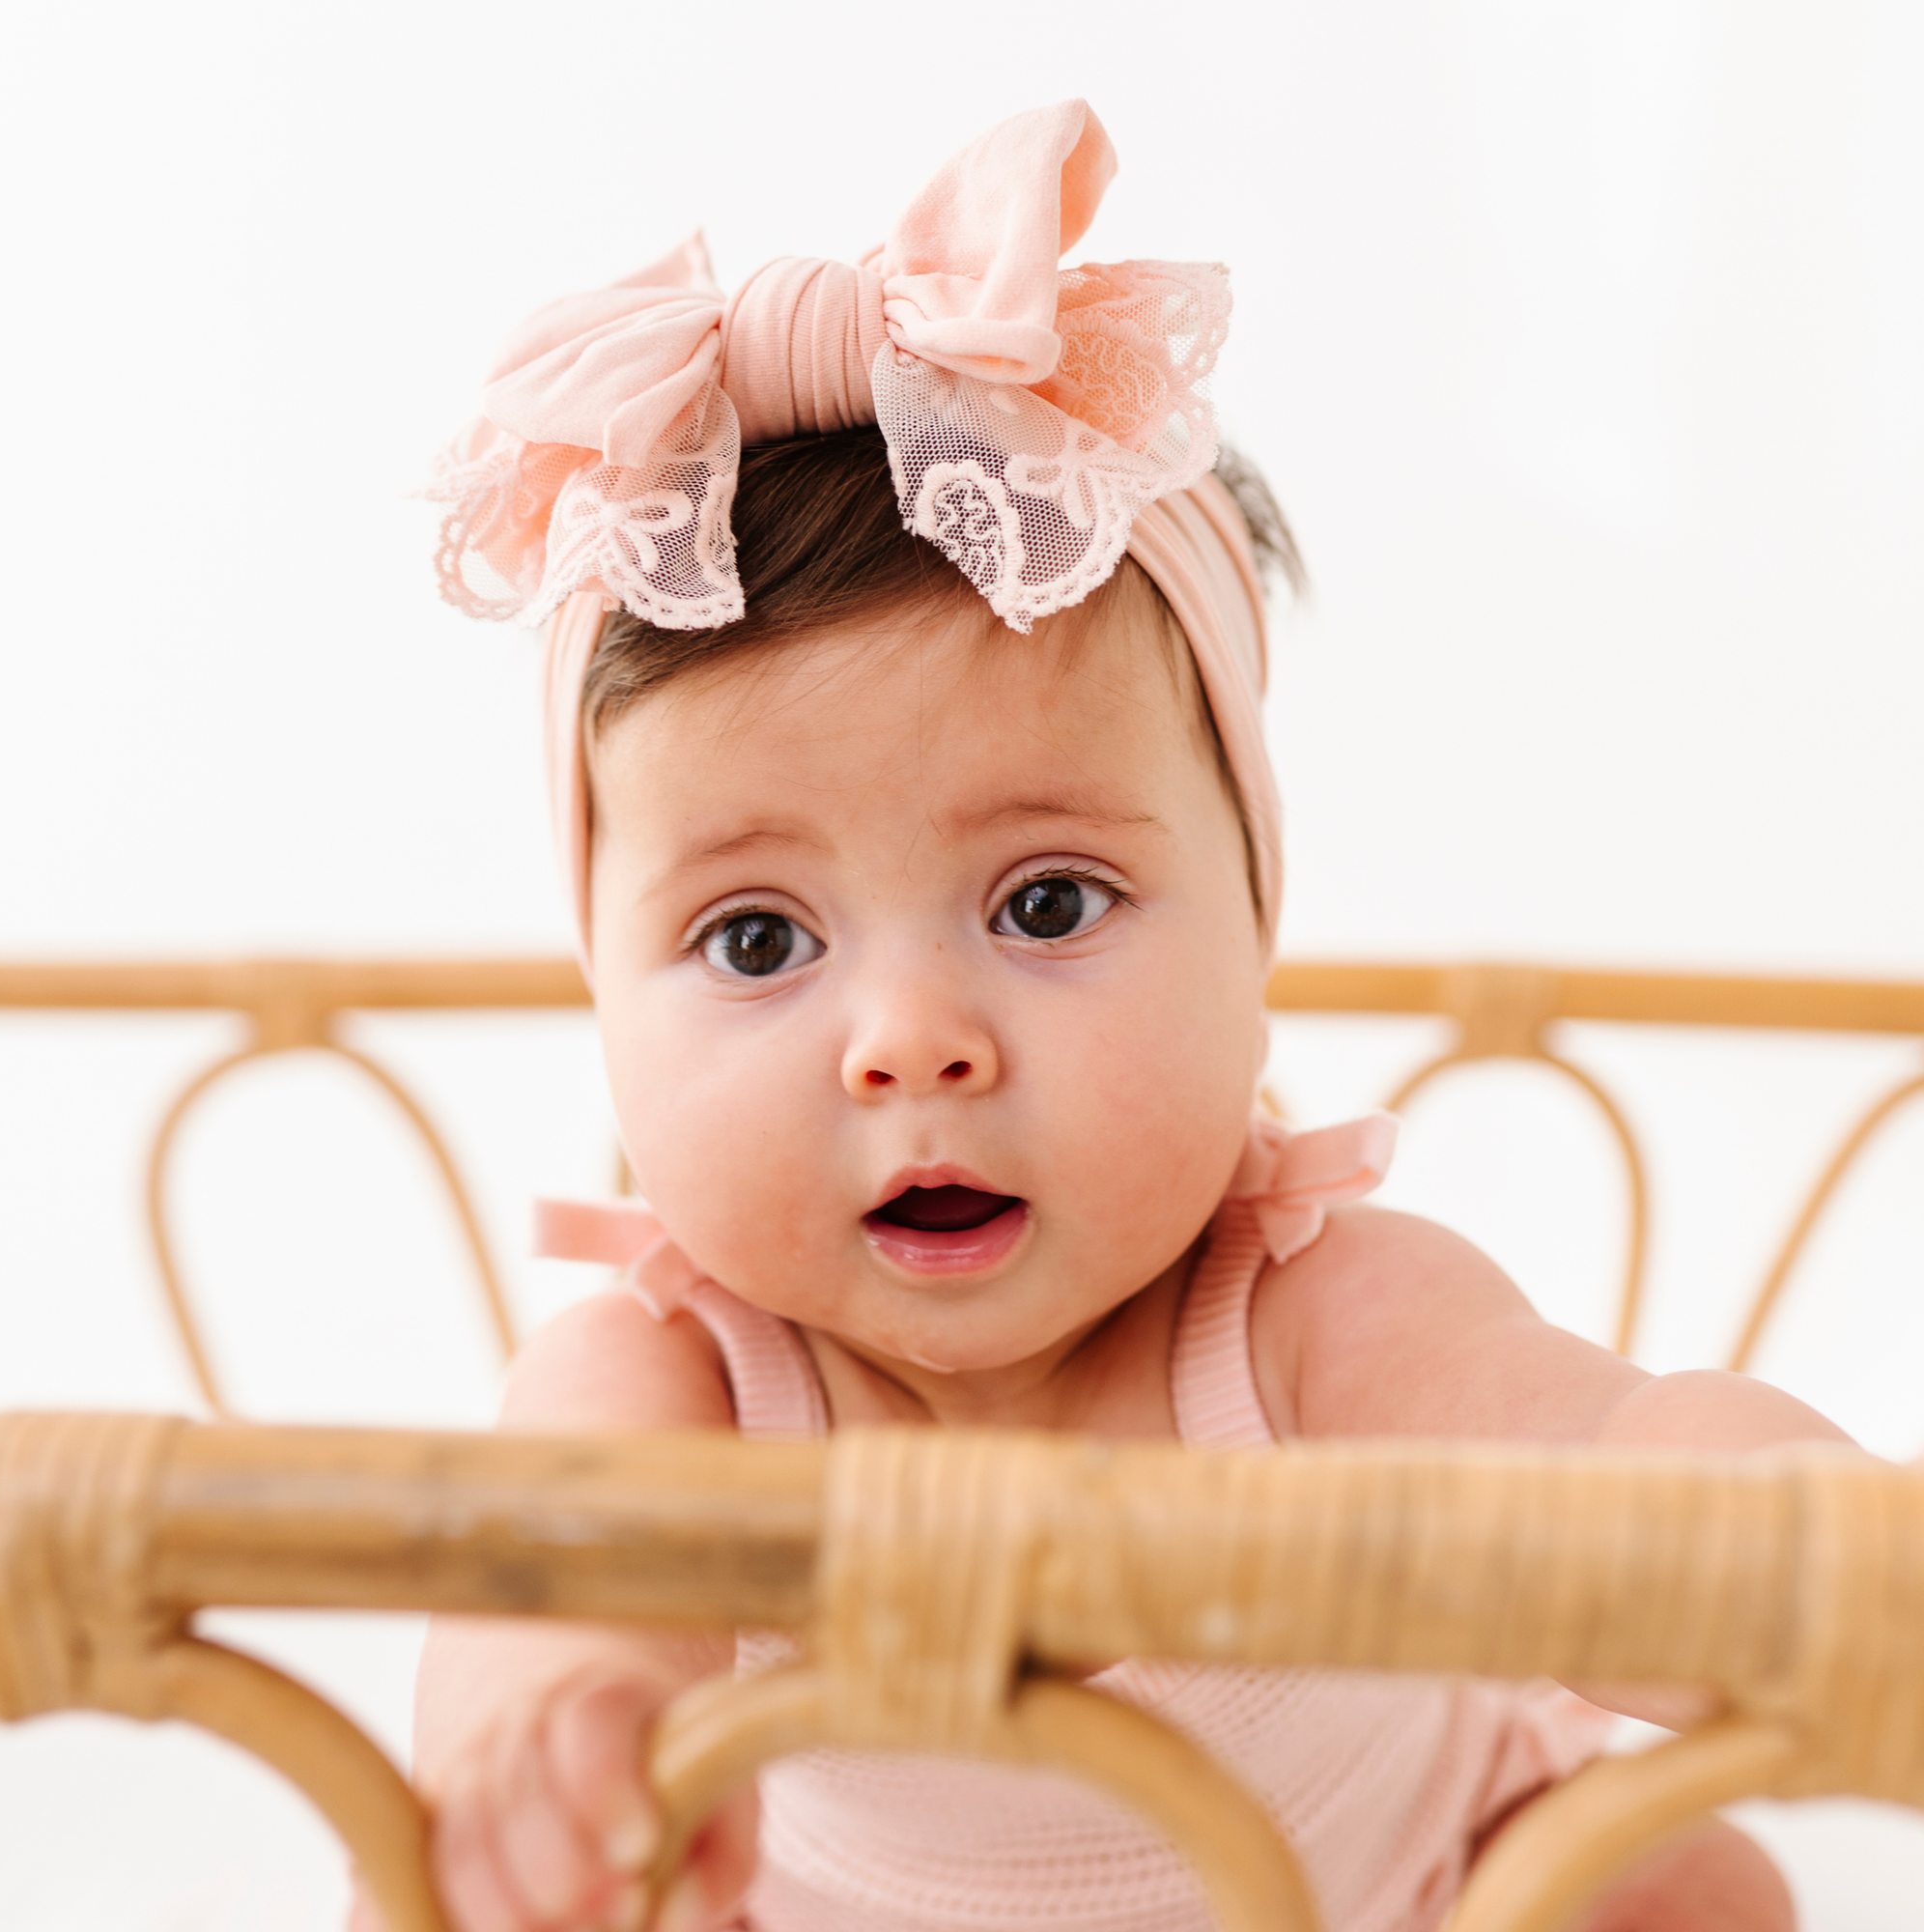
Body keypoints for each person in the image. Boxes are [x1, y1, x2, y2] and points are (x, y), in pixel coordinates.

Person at [392, 100, 1842, 1932]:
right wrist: (563, 1734)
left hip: (1392, 1892)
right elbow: (551, 1602)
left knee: (1686, 1885)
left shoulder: (1314, 1320)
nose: (911, 1043)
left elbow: (1602, 1446)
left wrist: (1806, 1538)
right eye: (758, 942)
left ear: (1259, 926)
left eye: (1048, 904)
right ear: (600, 991)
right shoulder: (667, 1387)